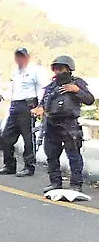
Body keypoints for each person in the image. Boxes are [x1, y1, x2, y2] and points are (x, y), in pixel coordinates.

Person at [33, 55, 94, 191]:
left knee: (74, 156)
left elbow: (90, 99)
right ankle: (55, 183)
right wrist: (39, 109)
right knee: (51, 155)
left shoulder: (77, 83)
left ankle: (76, 185)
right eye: (56, 69)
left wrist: (76, 90)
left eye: (61, 69)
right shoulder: (51, 86)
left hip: (69, 124)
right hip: (51, 123)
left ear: (68, 69)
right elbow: (43, 103)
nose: (58, 71)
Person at [0, 48, 50, 177]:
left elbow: (44, 89)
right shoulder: (15, 72)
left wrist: (41, 106)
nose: (20, 59)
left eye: (22, 56)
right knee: (6, 137)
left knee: (28, 138)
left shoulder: (36, 71)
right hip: (15, 105)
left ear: (28, 57)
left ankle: (29, 166)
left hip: (28, 105)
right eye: (18, 56)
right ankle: (9, 165)